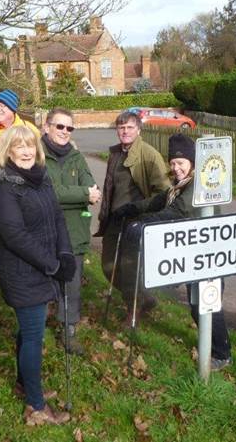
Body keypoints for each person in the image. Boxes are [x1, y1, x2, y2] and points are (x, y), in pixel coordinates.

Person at [114, 134, 232, 369]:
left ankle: (222, 354)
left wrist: (142, 224)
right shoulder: (180, 186)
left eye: (182, 163)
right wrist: (130, 209)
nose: (177, 168)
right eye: (174, 163)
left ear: (193, 163)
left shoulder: (199, 186)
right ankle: (210, 345)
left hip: (209, 256)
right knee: (197, 302)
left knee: (207, 303)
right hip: (193, 256)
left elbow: (176, 212)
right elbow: (158, 202)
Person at [0, 125, 74, 425]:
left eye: (30, 145)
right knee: (34, 335)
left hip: (45, 265)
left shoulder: (41, 177)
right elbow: (15, 236)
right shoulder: (4, 187)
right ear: (7, 150)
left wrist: (64, 255)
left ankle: (26, 384)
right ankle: (35, 407)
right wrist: (52, 265)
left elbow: (58, 218)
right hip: (22, 271)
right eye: (18, 146)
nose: (25, 151)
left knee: (28, 331)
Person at [95, 111, 169, 323]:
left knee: (130, 269)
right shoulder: (116, 153)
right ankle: (145, 297)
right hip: (114, 219)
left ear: (138, 130)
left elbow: (164, 193)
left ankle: (133, 310)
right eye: (121, 127)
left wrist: (138, 209)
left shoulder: (148, 155)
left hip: (136, 222)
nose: (125, 131)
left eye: (129, 127)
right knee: (109, 267)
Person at [41, 108, 101, 354]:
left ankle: (69, 330)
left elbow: (93, 188)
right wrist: (83, 195)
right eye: (60, 126)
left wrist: (85, 193)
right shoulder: (37, 155)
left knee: (72, 283)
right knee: (44, 280)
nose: (65, 132)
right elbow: (49, 193)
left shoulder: (76, 157)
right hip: (46, 230)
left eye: (69, 128)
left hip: (74, 230)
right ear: (47, 127)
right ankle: (38, 327)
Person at [0, 89, 40, 228]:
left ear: (12, 109)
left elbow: (38, 159)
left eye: (2, 106)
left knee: (18, 231)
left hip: (22, 192)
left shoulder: (29, 129)